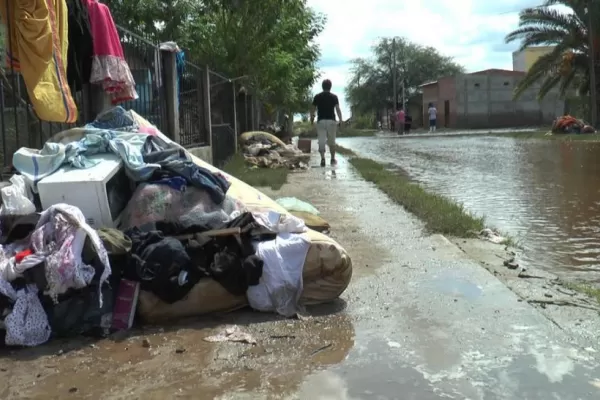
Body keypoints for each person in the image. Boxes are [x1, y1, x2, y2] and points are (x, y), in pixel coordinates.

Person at [310, 79, 343, 167]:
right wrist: (340, 120)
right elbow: (337, 109)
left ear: (322, 86)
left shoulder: (317, 96)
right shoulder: (334, 97)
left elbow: (312, 109)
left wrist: (311, 118)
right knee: (332, 141)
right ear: (330, 87)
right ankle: (332, 159)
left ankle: (323, 158)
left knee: (321, 140)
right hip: (331, 121)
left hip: (321, 121)